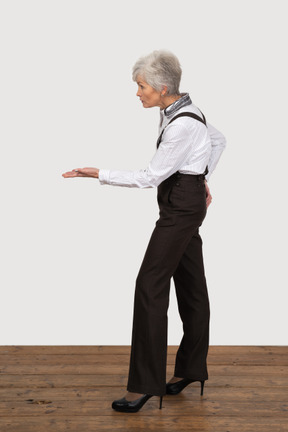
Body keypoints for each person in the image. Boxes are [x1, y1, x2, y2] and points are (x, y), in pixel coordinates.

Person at [62, 50, 226, 413]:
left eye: (141, 86)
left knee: (150, 285)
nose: (138, 93)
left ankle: (145, 385)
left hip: (180, 206)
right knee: (192, 284)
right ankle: (192, 369)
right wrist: (202, 179)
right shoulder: (184, 111)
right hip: (184, 200)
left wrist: (98, 173)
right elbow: (217, 141)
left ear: (162, 87)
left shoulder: (183, 123)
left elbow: (150, 177)